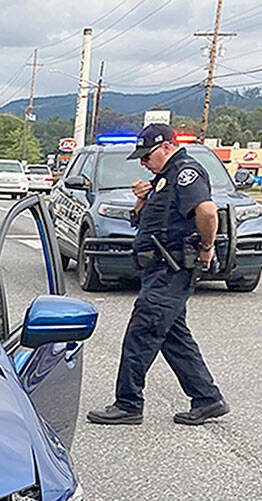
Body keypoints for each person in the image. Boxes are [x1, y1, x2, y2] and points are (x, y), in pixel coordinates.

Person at [86, 123, 229, 426]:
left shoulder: (186, 173)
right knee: (174, 337)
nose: (142, 162)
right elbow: (146, 219)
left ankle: (128, 404)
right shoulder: (165, 178)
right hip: (158, 269)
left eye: (146, 156)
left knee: (141, 333)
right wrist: (141, 197)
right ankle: (207, 399)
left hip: (171, 269)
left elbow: (207, 212)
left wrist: (206, 247)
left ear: (166, 146)